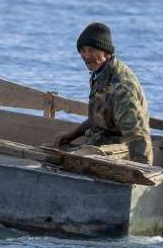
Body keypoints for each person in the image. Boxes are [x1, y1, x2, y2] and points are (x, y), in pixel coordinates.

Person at [52, 22, 153, 165]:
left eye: (92, 50)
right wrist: (70, 136)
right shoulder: (100, 74)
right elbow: (98, 117)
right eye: (83, 50)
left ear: (106, 52)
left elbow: (138, 135)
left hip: (116, 152)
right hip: (96, 144)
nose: (86, 56)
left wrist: (142, 171)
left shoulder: (121, 88)